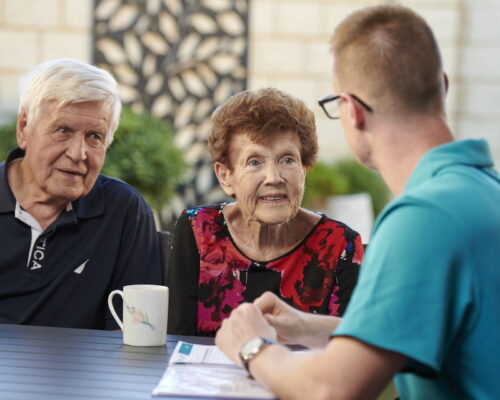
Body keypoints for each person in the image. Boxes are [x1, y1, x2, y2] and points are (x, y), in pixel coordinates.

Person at [215, 5, 500, 400]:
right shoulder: (481, 190)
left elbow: (331, 391)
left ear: (352, 110)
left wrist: (252, 347)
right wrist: (306, 326)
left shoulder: (424, 219)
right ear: (443, 86)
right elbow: (415, 332)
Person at [167, 88, 364, 336]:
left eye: (288, 160)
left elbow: (348, 351)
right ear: (225, 176)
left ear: (304, 168)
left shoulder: (339, 245)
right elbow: (177, 339)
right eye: (254, 162)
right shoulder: (198, 230)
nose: (273, 177)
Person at [0, 58, 162, 329]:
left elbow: (139, 331)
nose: (78, 154)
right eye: (63, 130)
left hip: (84, 371)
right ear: (24, 128)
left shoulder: (123, 211)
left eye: (94, 136)